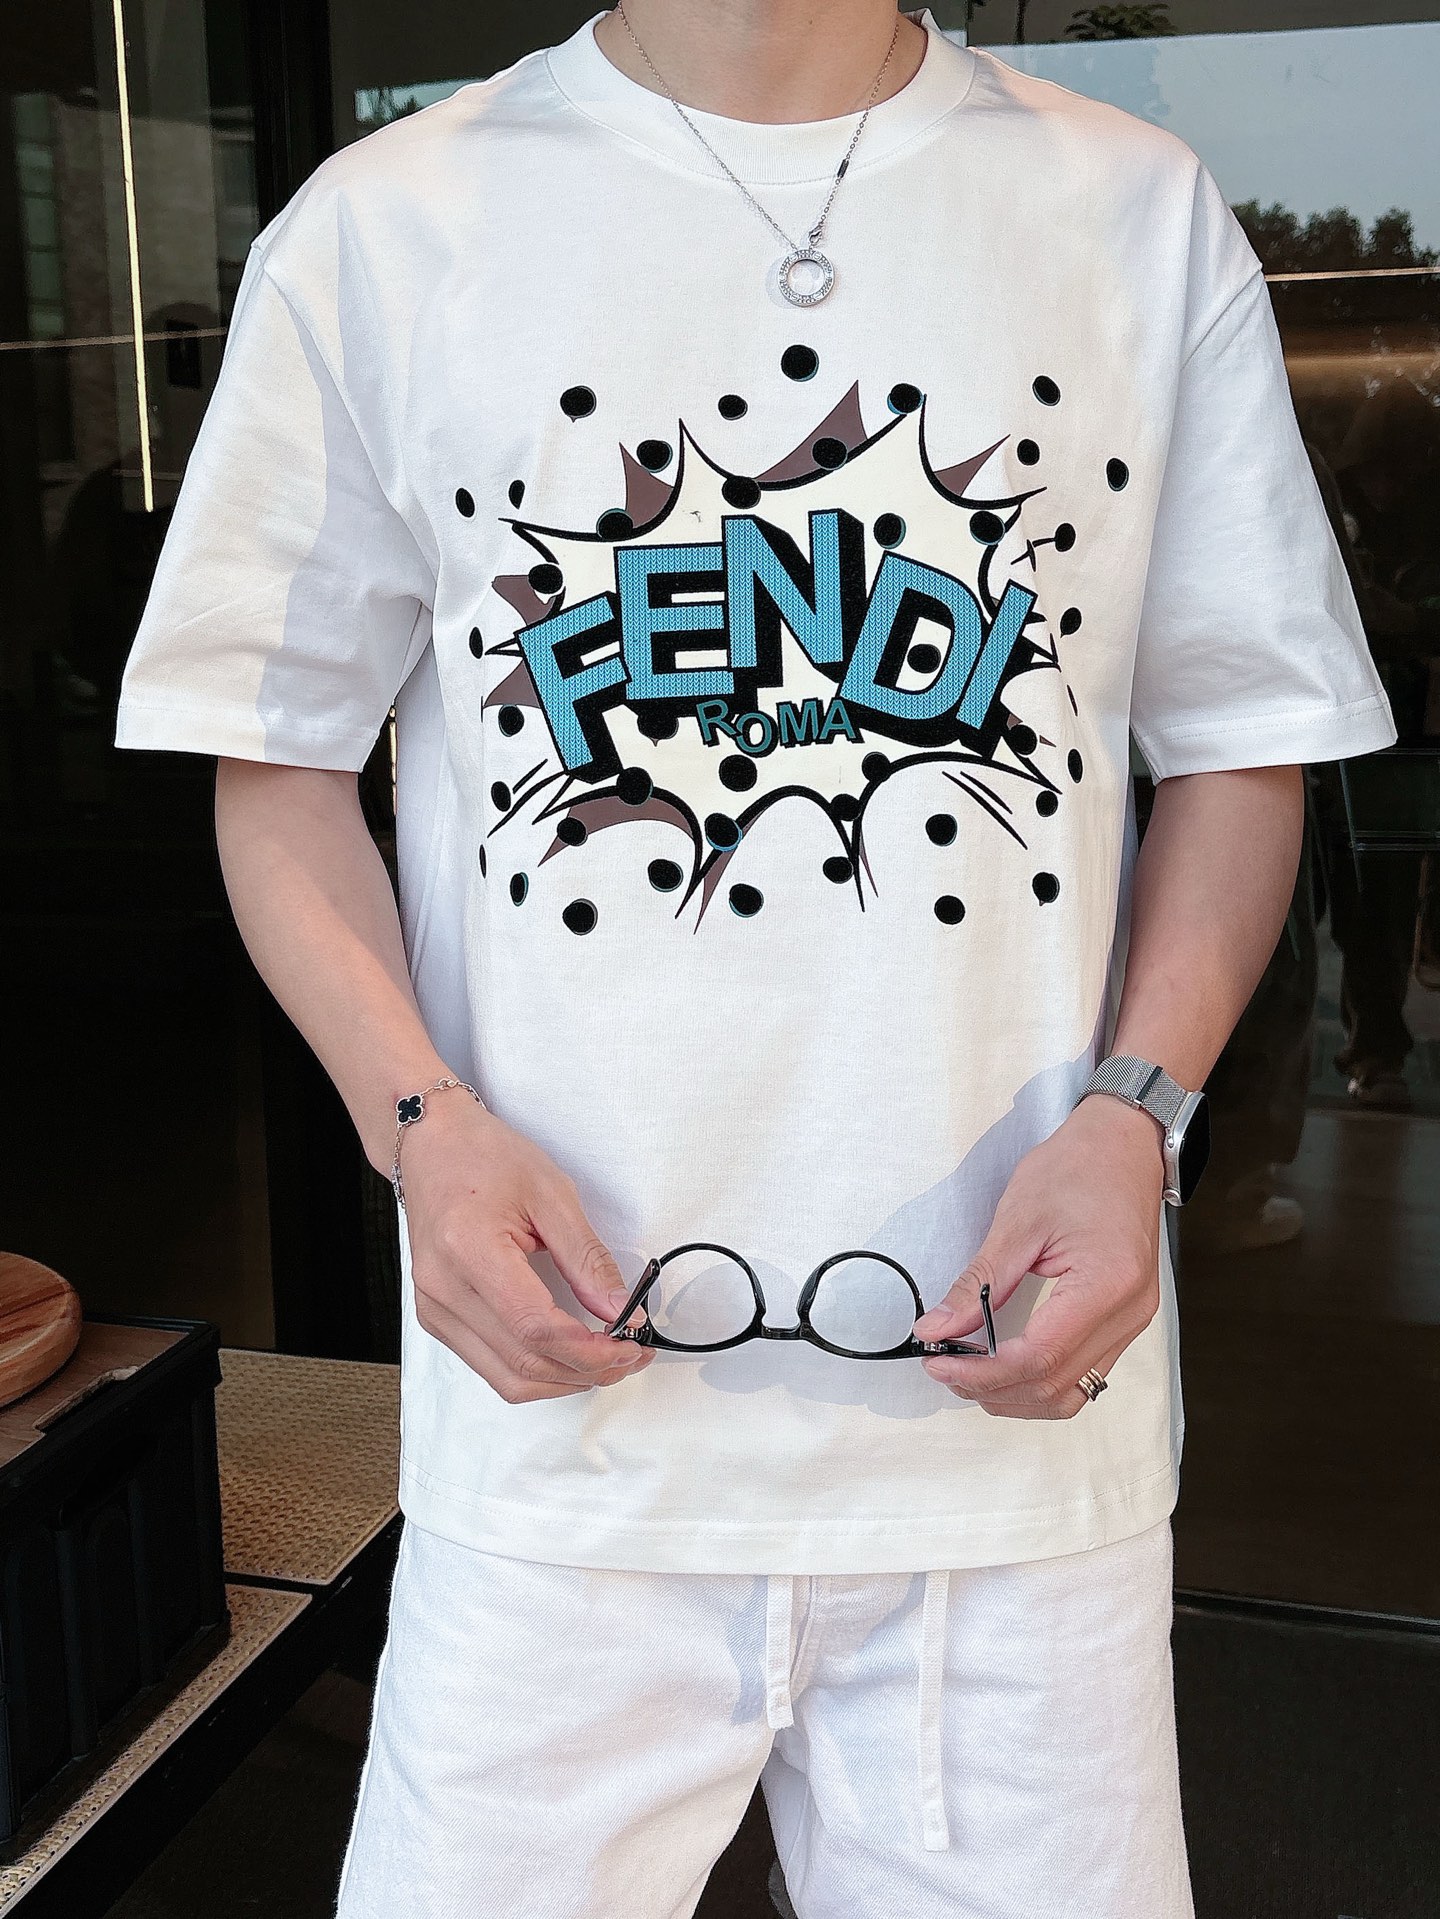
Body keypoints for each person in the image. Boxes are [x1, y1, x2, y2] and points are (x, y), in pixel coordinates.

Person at [112, 6, 1395, 1915]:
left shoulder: (1130, 209)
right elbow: (274, 764)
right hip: (558, 1462)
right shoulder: (388, 225)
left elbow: (1242, 746)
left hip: (1014, 1471)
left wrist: (1139, 1120)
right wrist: (419, 1129)